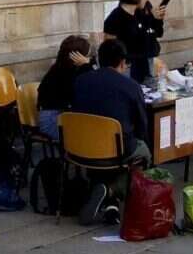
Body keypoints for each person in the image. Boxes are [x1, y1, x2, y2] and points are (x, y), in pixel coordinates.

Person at [64, 38, 153, 220]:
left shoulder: (80, 81)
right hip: (115, 149)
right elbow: (142, 125)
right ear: (122, 62)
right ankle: (112, 190)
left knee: (108, 151)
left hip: (80, 147)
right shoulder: (131, 86)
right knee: (143, 153)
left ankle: (109, 202)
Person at [102, 0, 167, 86]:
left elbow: (152, 33)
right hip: (128, 66)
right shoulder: (116, 17)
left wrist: (156, 19)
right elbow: (110, 47)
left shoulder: (143, 10)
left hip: (145, 63)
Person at [34, 35, 91, 131]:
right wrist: (86, 66)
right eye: (86, 56)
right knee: (90, 133)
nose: (88, 59)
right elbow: (77, 99)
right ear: (76, 57)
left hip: (62, 116)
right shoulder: (64, 73)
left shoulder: (60, 68)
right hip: (53, 121)